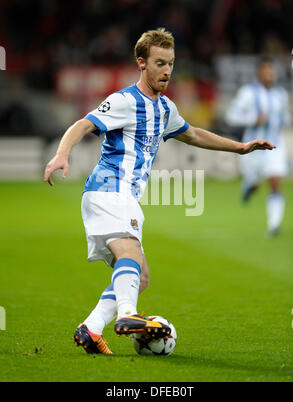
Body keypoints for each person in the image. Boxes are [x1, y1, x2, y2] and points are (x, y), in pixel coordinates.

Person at [44, 28, 275, 355]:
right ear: (142, 63)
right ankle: (127, 315)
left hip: (119, 196)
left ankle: (91, 329)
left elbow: (193, 133)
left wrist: (239, 147)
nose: (167, 70)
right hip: (110, 188)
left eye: (171, 63)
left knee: (142, 275)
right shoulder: (124, 101)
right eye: (160, 63)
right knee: (130, 255)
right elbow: (84, 123)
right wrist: (62, 153)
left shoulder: (165, 109)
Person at [226, 58, 291, 236]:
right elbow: (231, 116)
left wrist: (289, 120)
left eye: (272, 71)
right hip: (253, 146)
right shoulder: (248, 93)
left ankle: (274, 225)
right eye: (266, 70)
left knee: (275, 181)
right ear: (259, 73)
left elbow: (284, 117)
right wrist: (253, 119)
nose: (270, 74)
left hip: (275, 145)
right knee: (254, 183)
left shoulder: (281, 94)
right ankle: (248, 187)